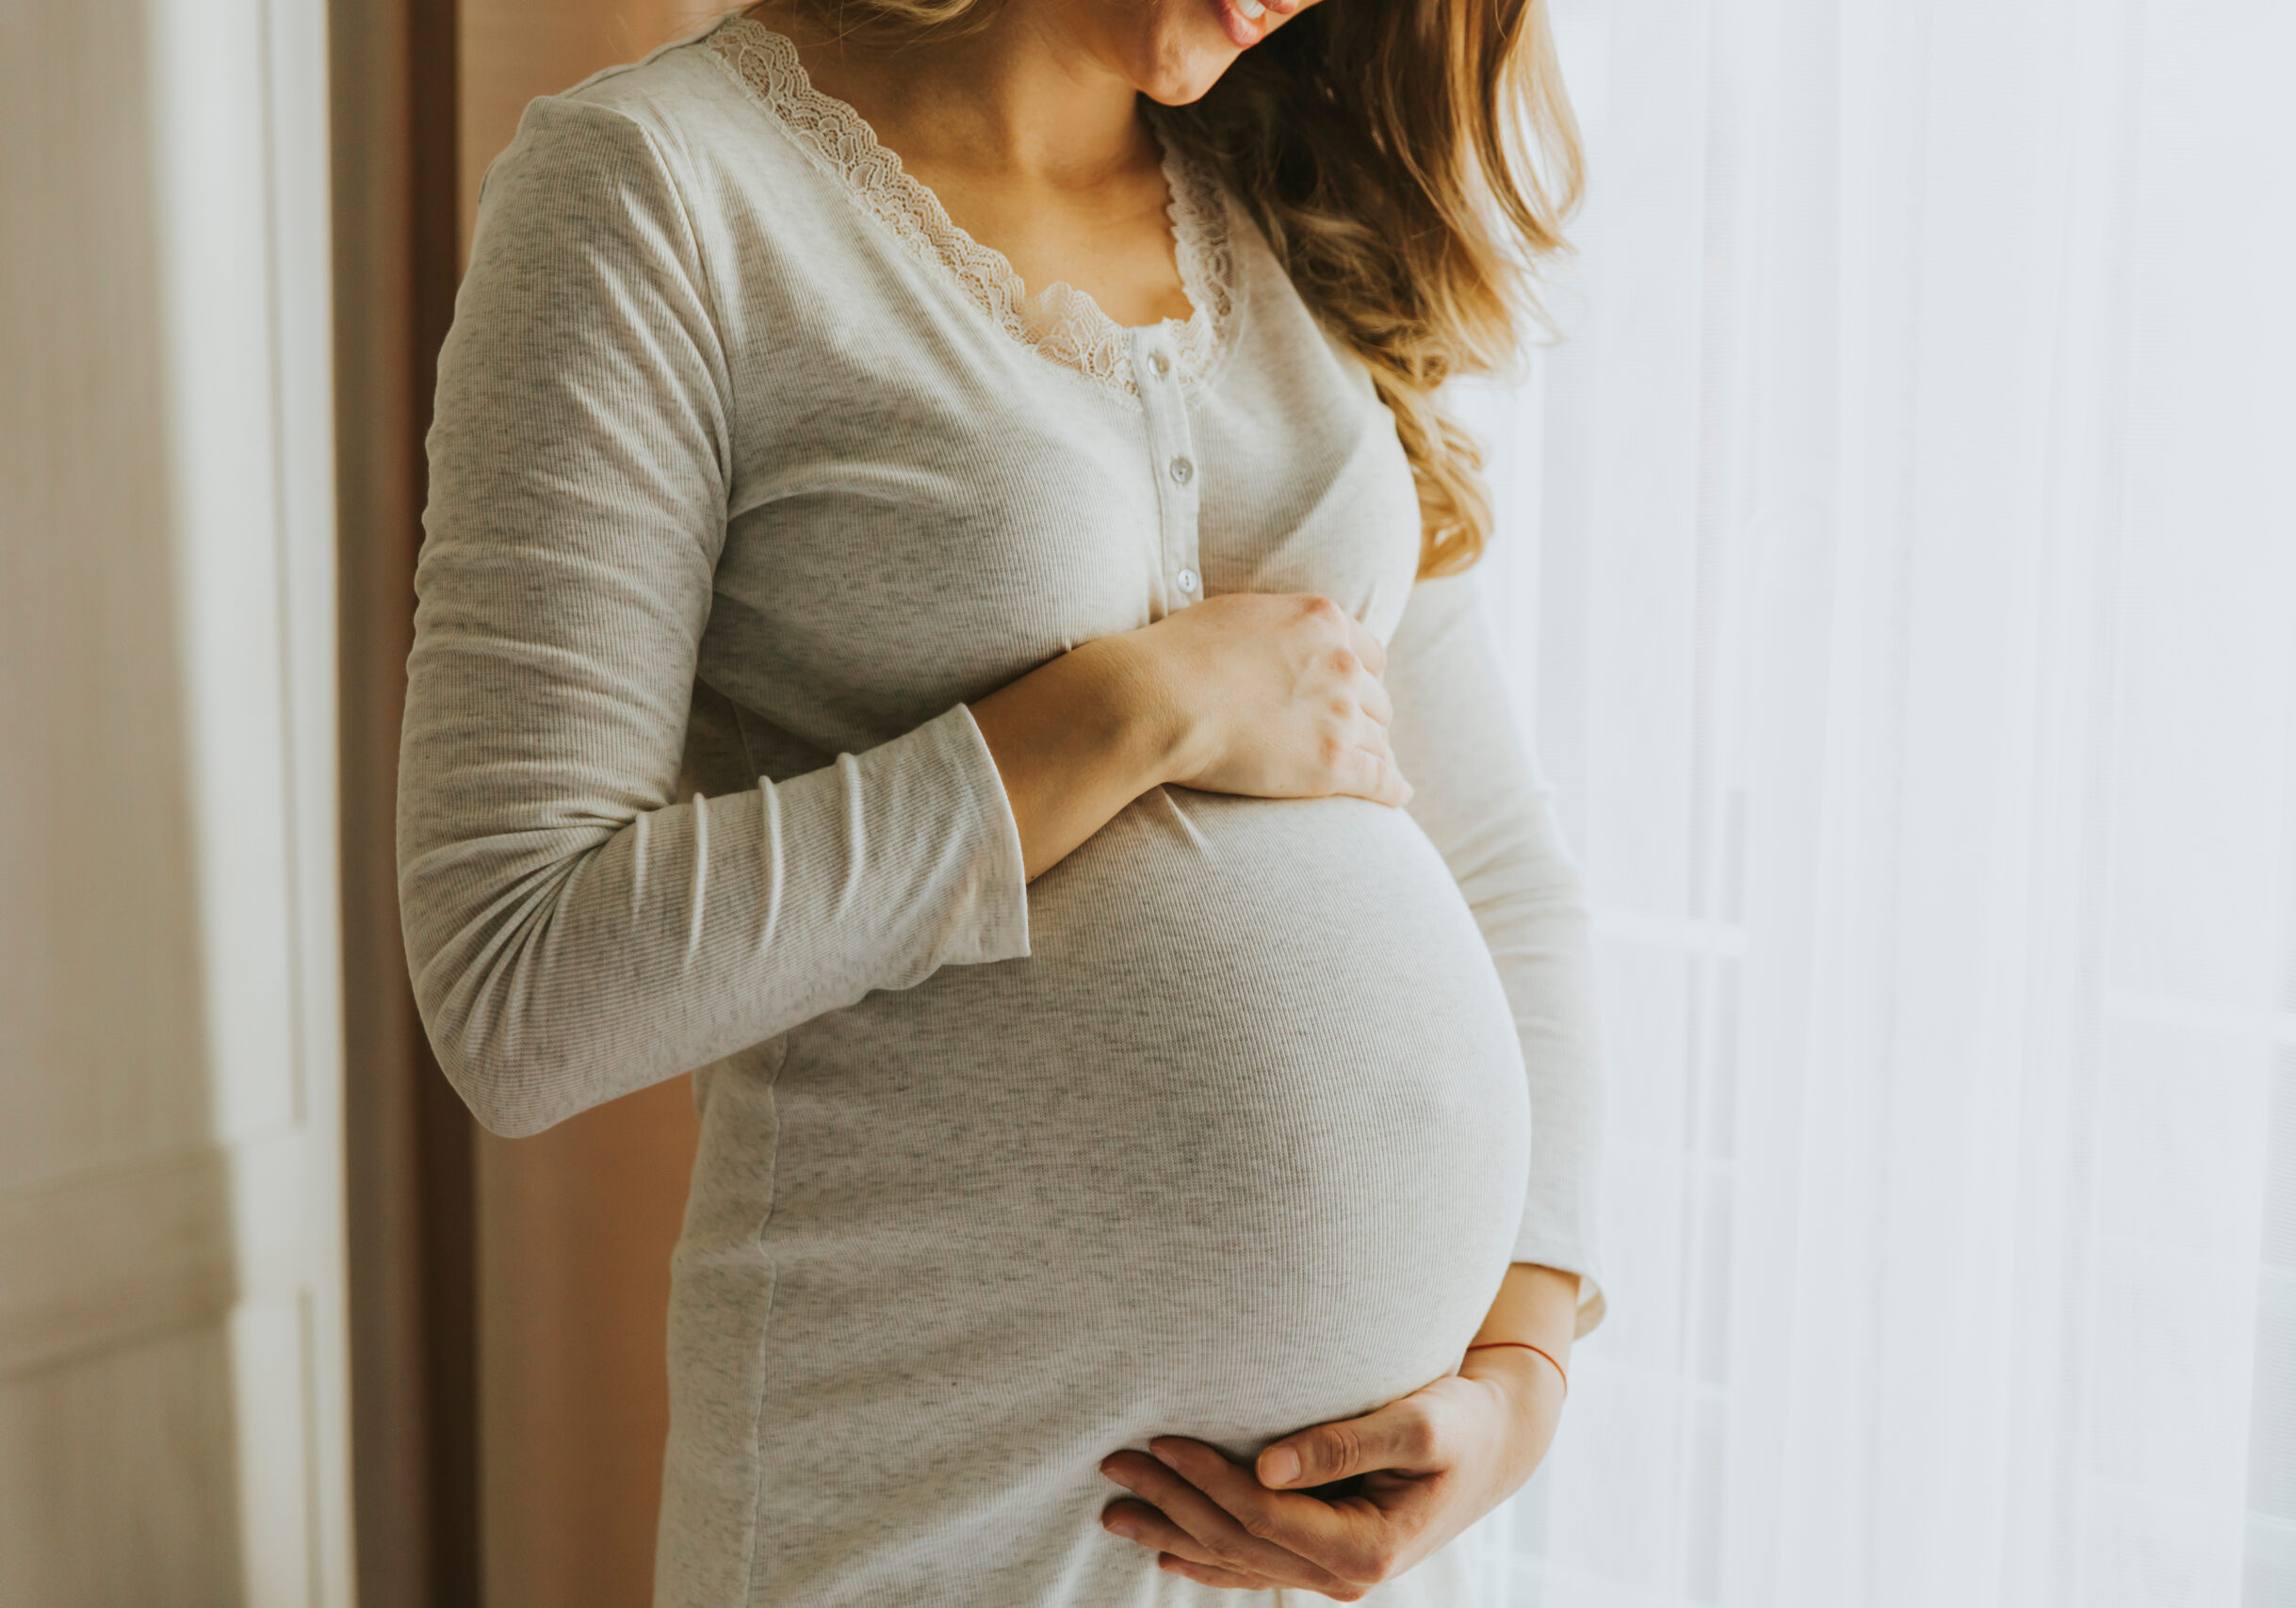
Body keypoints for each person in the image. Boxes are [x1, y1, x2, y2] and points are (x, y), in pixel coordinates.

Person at [397, 0, 1604, 1598]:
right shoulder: (666, 192)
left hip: (1320, 1547)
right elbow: (516, 986)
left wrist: (1519, 1376)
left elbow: (1501, 863)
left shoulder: (1290, 196)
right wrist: (1125, 714)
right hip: (930, 1508)